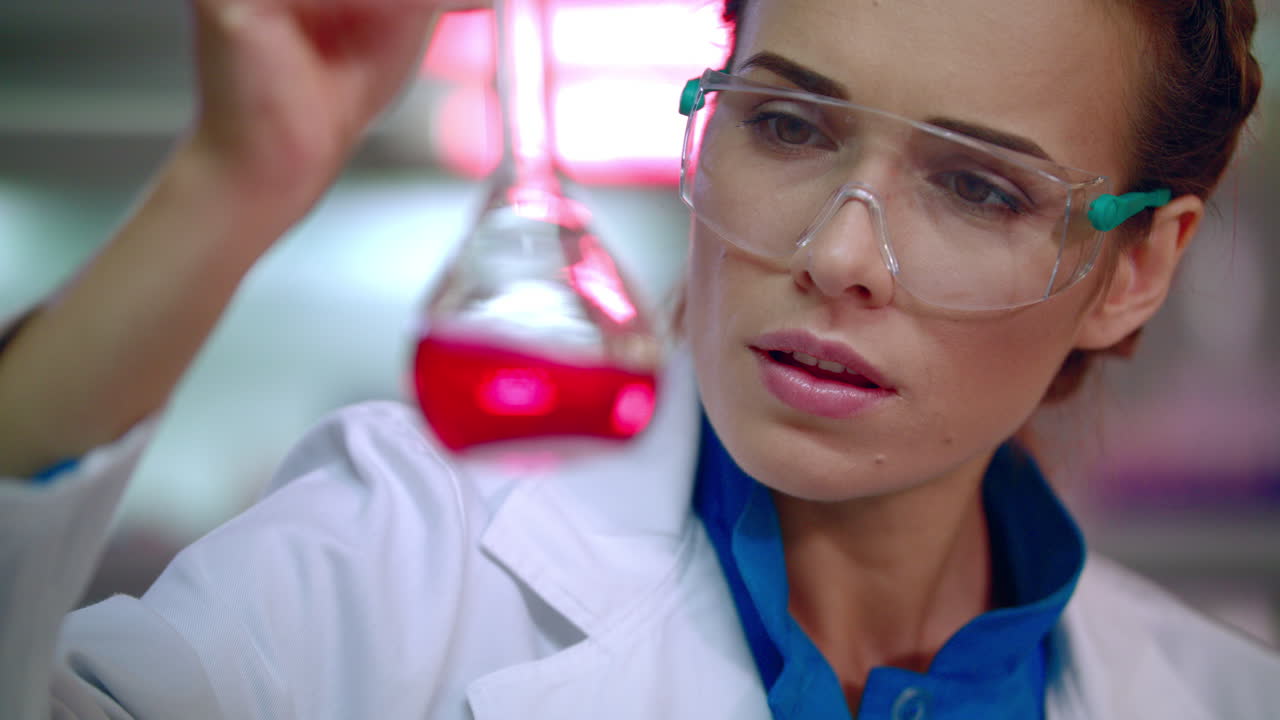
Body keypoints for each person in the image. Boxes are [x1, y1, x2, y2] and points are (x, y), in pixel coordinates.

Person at [1, 0, 1277, 717]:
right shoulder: (394, 560)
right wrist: (232, 183)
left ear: (1135, 269)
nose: (840, 255)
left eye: (978, 189)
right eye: (784, 122)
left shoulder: (1220, 696)